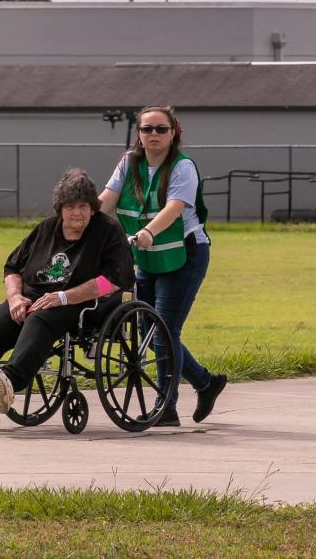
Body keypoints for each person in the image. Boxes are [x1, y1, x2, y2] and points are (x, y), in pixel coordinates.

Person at [0, 168, 135, 417]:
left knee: (41, 318)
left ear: (93, 208)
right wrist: (15, 297)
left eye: (83, 206)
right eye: (70, 206)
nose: (77, 212)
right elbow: (12, 267)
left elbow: (114, 281)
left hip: (81, 304)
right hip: (31, 299)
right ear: (60, 208)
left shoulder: (108, 231)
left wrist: (63, 297)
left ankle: (8, 381)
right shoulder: (45, 229)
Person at [100, 104, 226, 428]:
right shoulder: (129, 163)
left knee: (164, 330)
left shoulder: (182, 167)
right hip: (148, 256)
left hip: (185, 254)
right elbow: (107, 199)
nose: (153, 135)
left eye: (161, 129)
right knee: (148, 329)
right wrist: (79, 220)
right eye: (147, 129)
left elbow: (174, 207)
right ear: (138, 135)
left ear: (174, 133)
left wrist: (147, 231)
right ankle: (205, 382)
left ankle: (165, 407)